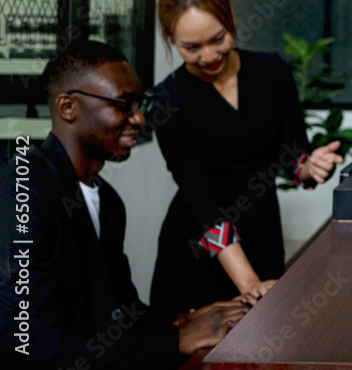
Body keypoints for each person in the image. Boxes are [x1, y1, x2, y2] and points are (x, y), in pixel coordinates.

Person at [0, 40, 248, 369]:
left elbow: (118, 312)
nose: (140, 120)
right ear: (67, 107)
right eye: (124, 104)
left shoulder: (108, 202)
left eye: (139, 104)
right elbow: (29, 343)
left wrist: (181, 319)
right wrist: (177, 340)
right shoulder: (24, 192)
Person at [148, 0, 343, 318]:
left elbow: (291, 155)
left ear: (232, 21)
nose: (208, 56)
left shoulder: (271, 72)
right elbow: (200, 195)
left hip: (262, 234)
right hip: (199, 249)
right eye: (191, 48)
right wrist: (249, 281)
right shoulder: (167, 100)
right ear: (171, 40)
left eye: (218, 39)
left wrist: (310, 166)